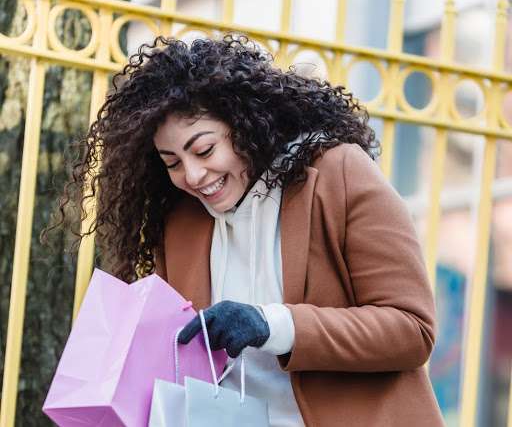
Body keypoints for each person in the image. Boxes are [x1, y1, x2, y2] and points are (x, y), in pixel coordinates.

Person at [49, 35, 444, 426]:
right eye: (172, 162)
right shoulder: (180, 225)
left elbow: (411, 329)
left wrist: (273, 325)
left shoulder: (338, 174)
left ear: (245, 125)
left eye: (203, 150)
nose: (193, 174)